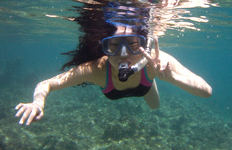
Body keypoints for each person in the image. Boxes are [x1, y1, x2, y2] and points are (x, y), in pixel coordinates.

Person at [15, 20, 212, 125]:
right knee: (154, 106)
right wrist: (37, 102)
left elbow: (206, 91)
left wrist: (172, 77)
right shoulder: (97, 69)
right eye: (114, 46)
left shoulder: (157, 61)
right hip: (123, 83)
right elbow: (46, 84)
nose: (123, 54)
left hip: (146, 84)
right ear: (104, 48)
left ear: (144, 46)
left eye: (133, 44)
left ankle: (151, 81)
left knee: (154, 107)